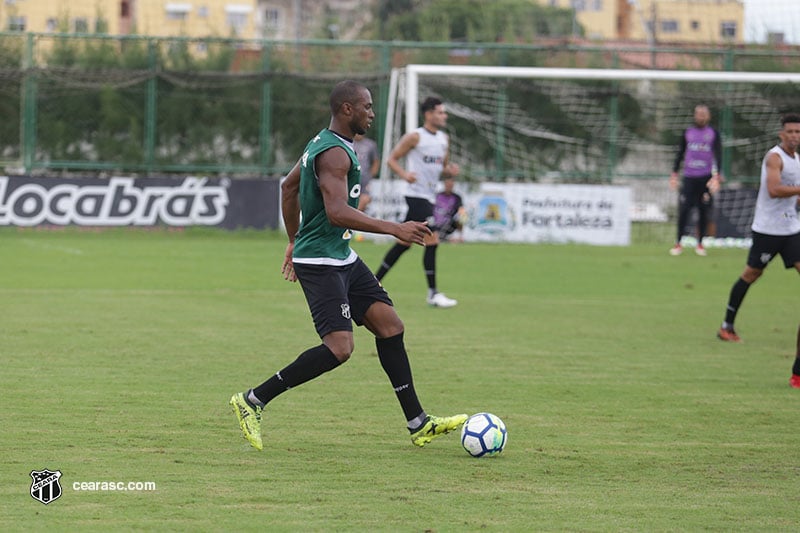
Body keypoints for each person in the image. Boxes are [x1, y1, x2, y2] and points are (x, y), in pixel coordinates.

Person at [229, 81, 467, 451]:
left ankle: (418, 423)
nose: (372, 113)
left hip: (340, 256)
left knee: (390, 327)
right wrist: (394, 228)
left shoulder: (325, 143)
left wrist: (293, 240)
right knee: (340, 349)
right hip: (322, 263)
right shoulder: (334, 154)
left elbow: (288, 188)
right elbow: (336, 212)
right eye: (367, 107)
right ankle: (252, 400)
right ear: (346, 110)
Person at [717, 114, 800, 384]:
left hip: (791, 231)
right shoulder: (774, 158)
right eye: (789, 131)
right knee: (752, 274)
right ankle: (727, 325)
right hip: (767, 230)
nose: (794, 136)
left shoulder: (798, 159)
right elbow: (774, 190)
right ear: (781, 134)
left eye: (798, 132)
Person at [374, 97, 460, 308]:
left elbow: (443, 167)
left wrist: (450, 171)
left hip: (429, 195)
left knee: (403, 243)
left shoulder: (443, 139)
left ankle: (372, 284)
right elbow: (391, 159)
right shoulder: (415, 137)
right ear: (428, 114)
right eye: (440, 112)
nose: (444, 116)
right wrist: (404, 175)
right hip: (415, 196)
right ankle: (433, 293)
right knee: (433, 239)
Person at [669, 104, 723, 256]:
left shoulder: (713, 133)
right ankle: (678, 242)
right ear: (695, 116)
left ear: (708, 116)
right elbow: (680, 153)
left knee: (703, 209)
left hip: (705, 177)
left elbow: (718, 154)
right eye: (698, 114)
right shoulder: (688, 132)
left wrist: (717, 174)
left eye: (704, 114)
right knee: (684, 209)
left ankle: (700, 244)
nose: (701, 117)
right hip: (689, 177)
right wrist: (674, 172)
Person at [433, 175, 465, 242]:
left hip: (449, 222)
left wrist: (462, 217)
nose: (449, 186)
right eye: (448, 184)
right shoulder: (437, 196)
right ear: (444, 184)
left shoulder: (457, 197)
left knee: (462, 216)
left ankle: (460, 236)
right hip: (436, 221)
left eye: (451, 184)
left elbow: (461, 209)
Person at [353, 133, 380, 212]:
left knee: (365, 200)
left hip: (364, 180)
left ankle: (355, 218)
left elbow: (376, 161)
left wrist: (371, 175)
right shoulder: (349, 143)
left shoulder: (370, 144)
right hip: (351, 178)